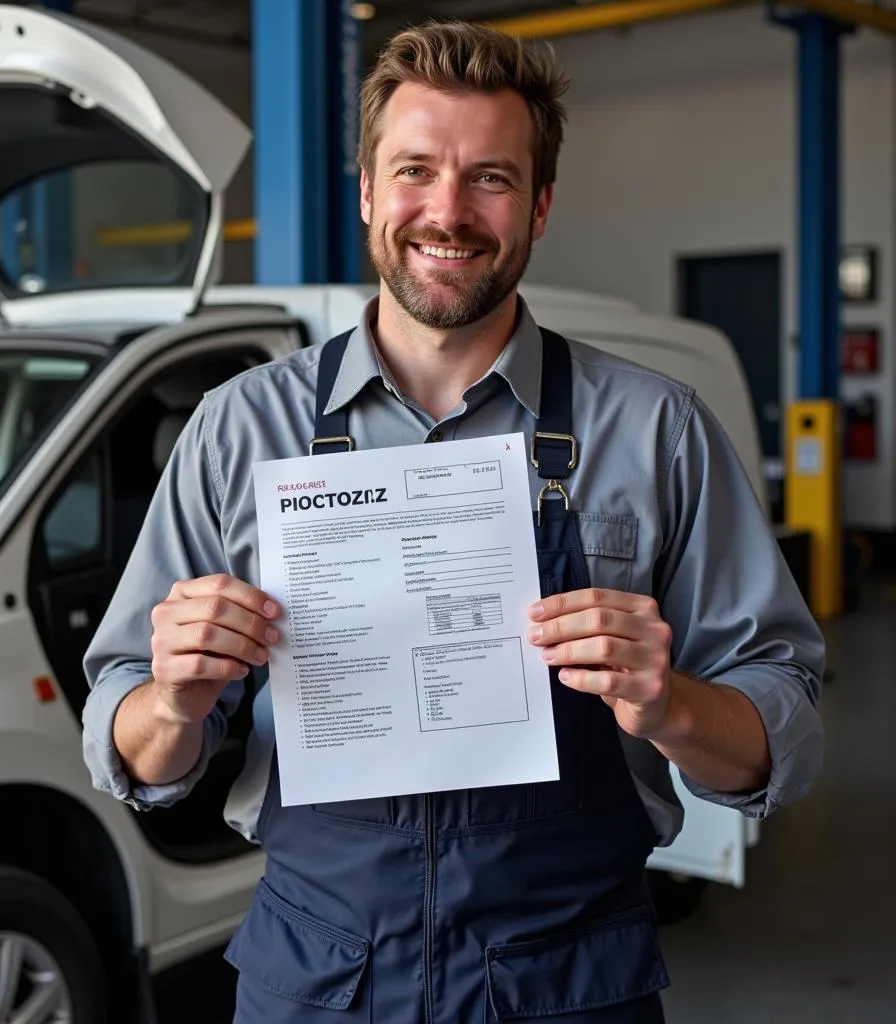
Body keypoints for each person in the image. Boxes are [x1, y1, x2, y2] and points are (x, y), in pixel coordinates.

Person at [82, 19, 825, 1023]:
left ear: (539, 205)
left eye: (490, 178)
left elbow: (784, 726)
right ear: (365, 191)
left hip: (572, 981)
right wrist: (172, 703)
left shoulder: (655, 432)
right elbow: (129, 740)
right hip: (317, 978)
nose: (447, 210)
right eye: (415, 170)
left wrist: (672, 705)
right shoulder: (238, 430)